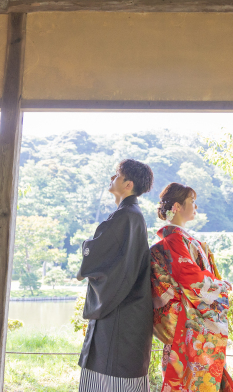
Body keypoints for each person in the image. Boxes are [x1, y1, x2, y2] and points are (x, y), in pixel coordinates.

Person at [150, 183, 233, 392]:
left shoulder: (183, 238)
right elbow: (190, 277)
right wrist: (220, 286)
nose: (196, 206)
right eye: (191, 201)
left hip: (191, 318)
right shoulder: (174, 239)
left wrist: (216, 283)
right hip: (186, 321)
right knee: (194, 378)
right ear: (177, 207)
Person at [77, 159, 154, 392]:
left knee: (108, 376)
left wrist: (87, 248)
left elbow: (98, 253)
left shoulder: (125, 216)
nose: (112, 178)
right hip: (128, 311)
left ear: (128, 184)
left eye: (117, 175)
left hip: (119, 313)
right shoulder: (132, 215)